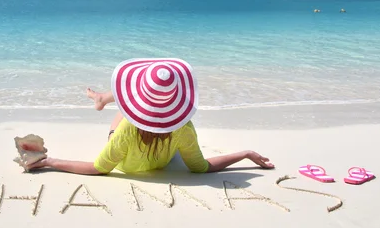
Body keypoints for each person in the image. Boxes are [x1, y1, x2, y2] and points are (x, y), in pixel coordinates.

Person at [24, 58, 274, 175]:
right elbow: (203, 167)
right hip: (162, 160)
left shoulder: (125, 131)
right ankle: (102, 98)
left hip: (126, 161)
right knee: (135, 106)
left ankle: (102, 98)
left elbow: (98, 168)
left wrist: (49, 162)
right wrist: (245, 153)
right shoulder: (184, 129)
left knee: (124, 105)